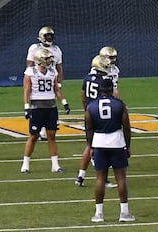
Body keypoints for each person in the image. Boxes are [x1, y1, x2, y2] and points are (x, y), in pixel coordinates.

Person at [85, 87, 134, 223]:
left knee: (100, 178)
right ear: (112, 90)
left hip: (99, 142)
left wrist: (90, 145)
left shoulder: (91, 106)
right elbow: (126, 126)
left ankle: (98, 213)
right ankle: (124, 212)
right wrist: (128, 145)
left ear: (100, 91)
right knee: (121, 178)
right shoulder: (120, 104)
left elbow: (89, 127)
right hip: (117, 141)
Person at [74, 53, 119, 186]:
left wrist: (86, 110)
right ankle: (103, 178)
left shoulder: (87, 78)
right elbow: (112, 97)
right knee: (102, 148)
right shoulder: (104, 80)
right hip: (101, 114)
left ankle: (80, 176)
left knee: (89, 145)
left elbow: (83, 96)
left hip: (90, 112)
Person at [20, 51, 63, 173]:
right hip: (37, 107)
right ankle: (25, 164)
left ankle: (55, 165)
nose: (49, 61)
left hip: (51, 107)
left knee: (52, 136)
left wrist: (64, 102)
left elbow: (56, 88)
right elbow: (27, 90)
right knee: (33, 136)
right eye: (47, 59)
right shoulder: (30, 72)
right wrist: (26, 107)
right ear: (40, 59)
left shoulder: (52, 72)